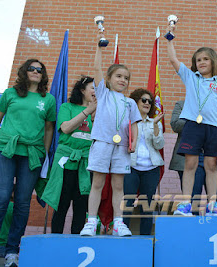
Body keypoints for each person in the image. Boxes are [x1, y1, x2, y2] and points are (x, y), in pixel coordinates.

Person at [0, 59, 56, 266]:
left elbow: (48, 129)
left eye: (40, 69)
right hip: (5, 149)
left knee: (23, 203)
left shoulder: (49, 99)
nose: (36, 72)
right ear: (24, 72)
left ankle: (11, 252)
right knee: (0, 198)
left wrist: (43, 153)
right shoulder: (10, 94)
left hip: (32, 153)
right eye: (32, 68)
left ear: (43, 75)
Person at [166, 23, 217, 216]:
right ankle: (186, 203)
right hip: (193, 125)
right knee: (190, 164)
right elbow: (172, 59)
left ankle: (213, 204)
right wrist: (170, 39)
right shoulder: (190, 77)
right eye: (198, 60)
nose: (201, 62)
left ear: (213, 62)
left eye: (205, 59)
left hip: (213, 127)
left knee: (212, 165)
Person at [79, 30, 141, 237]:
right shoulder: (103, 93)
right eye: (118, 76)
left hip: (122, 147)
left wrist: (135, 143)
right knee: (97, 182)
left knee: (118, 185)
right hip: (103, 143)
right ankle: (91, 221)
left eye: (126, 78)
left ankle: (118, 223)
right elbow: (96, 67)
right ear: (109, 79)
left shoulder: (130, 102)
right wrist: (99, 48)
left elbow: (134, 126)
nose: (122, 80)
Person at [40, 76, 97, 234]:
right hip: (66, 161)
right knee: (61, 203)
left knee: (81, 206)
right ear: (82, 90)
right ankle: (56, 239)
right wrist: (88, 111)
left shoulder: (100, 112)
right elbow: (65, 128)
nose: (95, 92)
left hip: (86, 163)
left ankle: (76, 242)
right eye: (92, 88)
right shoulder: (67, 107)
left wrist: (96, 114)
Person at [169, 100, 217, 214]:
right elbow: (175, 124)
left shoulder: (214, 105)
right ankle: (193, 230)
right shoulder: (182, 104)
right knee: (192, 201)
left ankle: (216, 230)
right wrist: (196, 118)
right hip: (191, 156)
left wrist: (212, 114)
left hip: (213, 158)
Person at [123, 88, 165, 235]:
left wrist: (155, 126)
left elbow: (159, 145)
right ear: (135, 102)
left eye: (150, 101)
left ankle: (145, 239)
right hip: (131, 167)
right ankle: (123, 234)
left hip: (151, 168)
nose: (147, 103)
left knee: (146, 206)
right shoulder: (127, 121)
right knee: (127, 203)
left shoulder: (155, 122)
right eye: (144, 100)